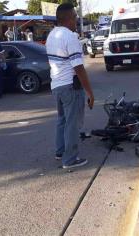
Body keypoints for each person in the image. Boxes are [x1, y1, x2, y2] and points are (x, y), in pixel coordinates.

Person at [46, 3, 95, 169]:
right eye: (75, 17)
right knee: (72, 124)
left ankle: (60, 152)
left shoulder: (52, 35)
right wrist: (90, 92)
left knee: (62, 121)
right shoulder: (70, 36)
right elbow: (78, 68)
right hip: (70, 86)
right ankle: (70, 159)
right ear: (68, 19)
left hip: (57, 85)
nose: (76, 20)